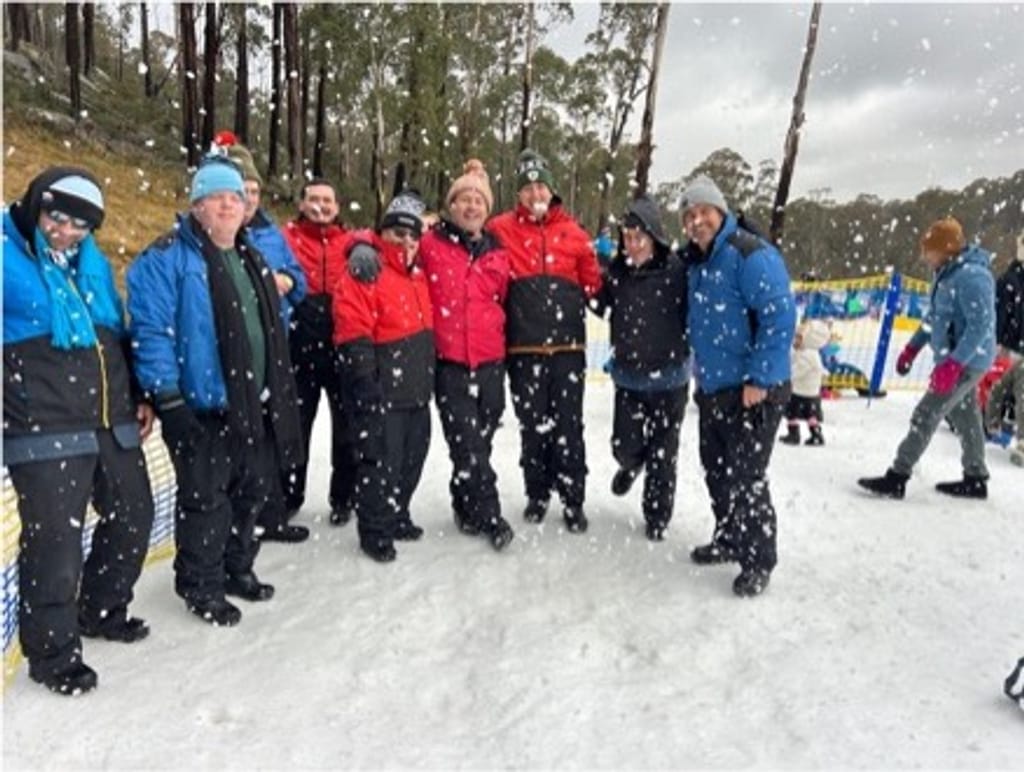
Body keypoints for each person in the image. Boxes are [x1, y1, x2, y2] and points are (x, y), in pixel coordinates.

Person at [127, 155, 304, 626]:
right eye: (216, 197)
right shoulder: (166, 257)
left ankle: (236, 567)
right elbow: (151, 331)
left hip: (253, 404)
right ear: (196, 205)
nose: (228, 205)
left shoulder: (251, 256)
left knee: (251, 492)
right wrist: (168, 398)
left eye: (235, 197)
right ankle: (201, 585)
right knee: (206, 501)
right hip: (200, 407)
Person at [3, 168, 155, 695]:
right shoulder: (5, 254)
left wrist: (138, 394)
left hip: (110, 415)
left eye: (80, 225)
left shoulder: (93, 264)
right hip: (41, 420)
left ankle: (101, 609)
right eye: (56, 218)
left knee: (134, 516)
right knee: (55, 543)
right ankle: (53, 655)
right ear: (34, 206)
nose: (65, 232)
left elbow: (114, 333)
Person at [678, 175, 796, 597]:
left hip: (754, 390)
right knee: (716, 469)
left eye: (704, 212)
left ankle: (758, 559)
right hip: (714, 387)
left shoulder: (750, 253)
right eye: (689, 215)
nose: (696, 221)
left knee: (746, 476)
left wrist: (760, 378)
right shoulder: (698, 262)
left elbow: (779, 316)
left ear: (721, 212)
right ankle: (729, 537)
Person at [489, 149, 602, 533]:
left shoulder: (575, 234)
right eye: (528, 188)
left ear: (552, 191)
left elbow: (594, 287)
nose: (535, 193)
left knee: (569, 427)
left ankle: (573, 499)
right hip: (523, 349)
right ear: (519, 195)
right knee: (532, 427)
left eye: (541, 187)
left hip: (568, 350)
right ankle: (537, 493)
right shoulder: (499, 229)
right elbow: (465, 238)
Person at [859, 216, 996, 499]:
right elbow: (935, 317)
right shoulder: (946, 274)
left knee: (926, 413)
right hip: (955, 360)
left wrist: (955, 363)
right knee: (966, 416)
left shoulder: (973, 277)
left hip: (968, 361)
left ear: (947, 249)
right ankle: (976, 478)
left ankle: (897, 476)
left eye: (929, 251)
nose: (925, 257)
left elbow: (980, 326)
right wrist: (913, 348)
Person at [332, 191, 435, 562]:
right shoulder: (365, 271)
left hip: (416, 390)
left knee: (412, 459)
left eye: (412, 236)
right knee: (379, 464)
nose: (406, 242)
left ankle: (398, 513)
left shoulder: (419, 275)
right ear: (383, 234)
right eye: (398, 234)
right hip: (382, 391)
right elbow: (352, 331)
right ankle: (375, 530)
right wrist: (365, 384)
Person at [221, 139, 311, 543]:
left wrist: (287, 280)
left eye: (255, 191)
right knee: (238, 438)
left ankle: (271, 515)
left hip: (274, 348)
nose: (250, 199)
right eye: (243, 190)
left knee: (273, 433)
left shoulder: (271, 235)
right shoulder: (213, 237)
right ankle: (235, 525)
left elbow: (299, 279)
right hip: (231, 352)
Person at [421, 160, 514, 550]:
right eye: (464, 199)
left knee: (481, 442)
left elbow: (505, 300)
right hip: (451, 365)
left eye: (479, 200)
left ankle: (464, 501)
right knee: (468, 444)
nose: (472, 206)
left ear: (486, 209)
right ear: (452, 205)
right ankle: (491, 515)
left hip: (490, 364)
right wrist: (361, 245)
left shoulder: (499, 253)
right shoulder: (430, 243)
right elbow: (385, 240)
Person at [589, 195, 690, 542]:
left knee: (664, 453)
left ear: (654, 236)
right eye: (627, 237)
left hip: (670, 379)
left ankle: (657, 515)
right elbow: (598, 304)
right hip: (629, 378)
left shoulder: (677, 270)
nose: (632, 245)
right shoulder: (617, 273)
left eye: (638, 238)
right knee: (623, 444)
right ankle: (632, 463)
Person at [282, 179, 357, 526]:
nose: (321, 206)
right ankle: (288, 495)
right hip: (300, 346)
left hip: (341, 345)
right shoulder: (286, 238)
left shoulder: (351, 241)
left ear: (338, 207)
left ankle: (344, 497)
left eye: (328, 200)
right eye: (313, 199)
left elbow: (379, 241)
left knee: (347, 428)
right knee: (296, 426)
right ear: (301, 204)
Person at [984, 230, 1023, 466]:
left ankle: (998, 424)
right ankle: (994, 424)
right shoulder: (1009, 281)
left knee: (1010, 389)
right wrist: (997, 343)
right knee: (1006, 387)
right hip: (1010, 346)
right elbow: (999, 315)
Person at [779, 318, 831, 446]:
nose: (795, 341)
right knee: (811, 415)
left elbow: (799, 370)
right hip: (812, 392)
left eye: (798, 338)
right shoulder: (809, 353)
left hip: (800, 391)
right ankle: (815, 433)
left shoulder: (807, 354)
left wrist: (787, 376)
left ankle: (794, 434)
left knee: (793, 413)